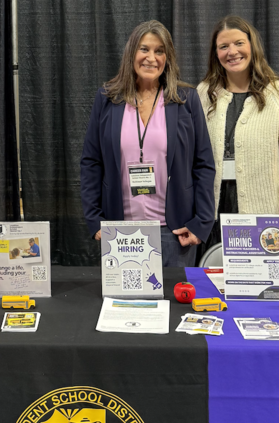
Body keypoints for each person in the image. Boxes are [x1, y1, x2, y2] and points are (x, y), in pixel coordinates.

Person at [81, 20, 215, 267]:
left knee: (174, 304)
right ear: (131, 53)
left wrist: (201, 222)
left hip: (175, 231)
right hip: (120, 231)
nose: (151, 58)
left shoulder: (187, 100)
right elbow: (91, 162)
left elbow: (204, 164)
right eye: (144, 49)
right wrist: (94, 219)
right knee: (123, 305)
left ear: (168, 58)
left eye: (159, 51)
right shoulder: (108, 99)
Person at [197, 15, 279, 250]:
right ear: (215, 53)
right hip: (213, 214)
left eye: (239, 43)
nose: (232, 52)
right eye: (224, 46)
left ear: (252, 46)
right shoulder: (204, 93)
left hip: (266, 218)